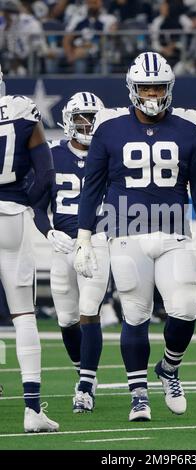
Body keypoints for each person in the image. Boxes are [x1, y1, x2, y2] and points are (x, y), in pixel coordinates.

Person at [74, 52, 196, 422]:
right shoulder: (109, 129)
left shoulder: (188, 129)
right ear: (133, 88)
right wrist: (84, 237)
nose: (153, 93)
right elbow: (91, 188)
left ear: (169, 87)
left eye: (158, 86)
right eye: (146, 87)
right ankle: (138, 394)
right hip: (125, 231)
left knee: (186, 309)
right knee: (135, 314)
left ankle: (170, 368)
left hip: (175, 231)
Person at [34, 92, 112, 413]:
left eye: (93, 117)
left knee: (88, 309)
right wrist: (48, 232)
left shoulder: (111, 155)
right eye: (82, 117)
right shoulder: (52, 156)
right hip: (63, 244)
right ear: (69, 120)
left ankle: (85, 386)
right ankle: (84, 373)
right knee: (66, 319)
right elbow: (37, 206)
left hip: (98, 241)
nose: (88, 123)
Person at [0, 65, 58, 431]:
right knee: (23, 315)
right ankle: (32, 410)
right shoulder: (21, 110)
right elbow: (46, 174)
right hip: (11, 215)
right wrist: (31, 205)